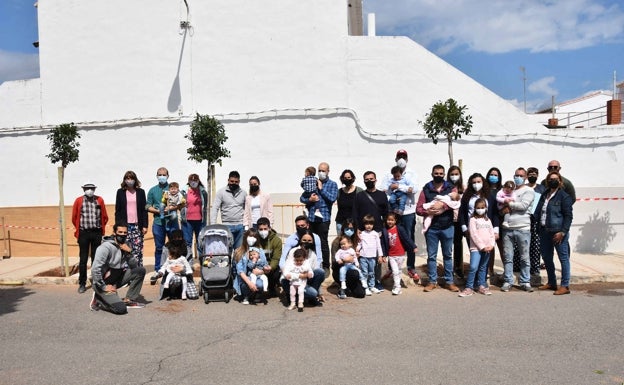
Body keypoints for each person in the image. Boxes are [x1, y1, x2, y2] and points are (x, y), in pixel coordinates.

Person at [416, 164, 459, 293]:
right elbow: (418, 209)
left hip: (447, 227)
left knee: (447, 255)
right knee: (432, 256)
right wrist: (428, 211)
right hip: (432, 229)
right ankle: (432, 281)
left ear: (444, 175)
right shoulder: (426, 189)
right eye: (436, 173)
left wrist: (443, 207)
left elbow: (457, 203)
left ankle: (449, 282)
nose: (438, 175)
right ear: (432, 174)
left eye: (441, 173)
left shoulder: (451, 188)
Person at [89, 223, 146, 314]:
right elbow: (95, 269)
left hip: (116, 279)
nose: (123, 234)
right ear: (114, 232)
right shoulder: (105, 247)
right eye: (120, 232)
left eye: (125, 233)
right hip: (104, 283)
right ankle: (99, 299)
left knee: (140, 271)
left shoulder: (126, 245)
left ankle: (129, 299)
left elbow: (134, 266)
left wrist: (129, 253)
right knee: (121, 309)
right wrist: (103, 286)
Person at [535, 171, 574, 295]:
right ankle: (552, 282)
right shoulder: (544, 194)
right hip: (544, 231)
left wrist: (563, 232)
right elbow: (538, 211)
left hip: (558, 233)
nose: (553, 181)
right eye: (551, 179)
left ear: (560, 181)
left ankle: (565, 286)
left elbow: (568, 216)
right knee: (546, 258)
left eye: (555, 179)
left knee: (563, 259)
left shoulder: (564, 196)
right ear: (547, 181)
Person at [352, 170, 389, 291]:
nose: (369, 181)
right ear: (364, 181)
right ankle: (364, 283)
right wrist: (357, 228)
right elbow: (355, 213)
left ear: (375, 180)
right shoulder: (359, 196)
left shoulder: (382, 195)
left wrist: (385, 229)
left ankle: (376, 281)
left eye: (371, 179)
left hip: (377, 229)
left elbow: (386, 212)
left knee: (376, 257)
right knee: (363, 258)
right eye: (367, 179)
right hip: (363, 231)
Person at [500, 167, 535, 293]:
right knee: (508, 257)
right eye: (516, 175)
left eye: (520, 175)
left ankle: (525, 281)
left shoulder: (529, 190)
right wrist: (505, 204)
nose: (518, 177)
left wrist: (508, 204)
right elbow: (501, 204)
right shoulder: (510, 190)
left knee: (524, 257)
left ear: (525, 177)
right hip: (507, 228)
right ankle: (508, 280)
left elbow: (523, 206)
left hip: (523, 229)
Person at [299, 162, 338, 272]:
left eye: (323, 171)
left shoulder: (332, 184)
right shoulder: (312, 182)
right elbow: (302, 198)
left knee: (323, 242)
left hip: (324, 218)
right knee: (310, 241)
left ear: (328, 171)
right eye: (319, 170)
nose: (321, 173)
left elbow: (332, 198)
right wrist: (309, 200)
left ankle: (325, 266)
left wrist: (321, 189)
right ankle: (311, 263)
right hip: (311, 218)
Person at [72, 182, 109, 294]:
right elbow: (74, 217)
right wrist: (80, 229)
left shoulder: (99, 200)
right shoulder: (79, 201)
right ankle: (82, 283)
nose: (90, 190)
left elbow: (105, 217)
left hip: (96, 232)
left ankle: (96, 282)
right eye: (87, 188)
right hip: (83, 233)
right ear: (84, 189)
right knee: (83, 259)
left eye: (92, 188)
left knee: (96, 258)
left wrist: (100, 228)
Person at [147, 167, 181, 283]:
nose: (162, 176)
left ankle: (175, 267)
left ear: (168, 175)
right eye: (160, 174)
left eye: (164, 174)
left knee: (175, 245)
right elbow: (147, 206)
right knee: (159, 247)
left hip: (172, 222)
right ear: (157, 176)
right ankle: (158, 269)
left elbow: (181, 203)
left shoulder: (173, 188)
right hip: (158, 222)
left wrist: (171, 208)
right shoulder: (152, 190)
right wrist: (157, 211)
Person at [459, 198, 495, 297]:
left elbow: (492, 234)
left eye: (482, 207)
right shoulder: (473, 220)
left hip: (488, 248)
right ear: (475, 208)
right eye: (478, 208)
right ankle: (469, 287)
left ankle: (482, 286)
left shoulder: (488, 220)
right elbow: (474, 235)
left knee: (483, 268)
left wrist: (491, 245)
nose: (480, 209)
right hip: (476, 248)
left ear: (486, 208)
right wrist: (482, 246)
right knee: (473, 267)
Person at [279, 231, 325, 307]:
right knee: (311, 293)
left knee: (320, 272)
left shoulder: (312, 254)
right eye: (304, 240)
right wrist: (300, 275)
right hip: (291, 280)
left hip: (304, 282)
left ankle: (311, 298)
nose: (306, 242)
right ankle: (292, 296)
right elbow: (287, 270)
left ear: (313, 242)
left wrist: (320, 293)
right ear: (300, 240)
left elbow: (314, 272)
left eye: (309, 240)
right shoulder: (293, 251)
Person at [115, 171, 148, 267]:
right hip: (125, 226)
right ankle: (126, 271)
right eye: (127, 178)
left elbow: (144, 210)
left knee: (137, 250)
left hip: (137, 226)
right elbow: (118, 210)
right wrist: (117, 226)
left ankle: (138, 270)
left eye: (131, 178)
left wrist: (145, 225)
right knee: (125, 248)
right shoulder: (120, 192)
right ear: (124, 180)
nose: (129, 180)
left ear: (135, 179)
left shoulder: (141, 192)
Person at [381, 212, 418, 295]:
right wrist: (384, 255)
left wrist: (413, 246)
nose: (390, 222)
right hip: (391, 255)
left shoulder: (399, 229)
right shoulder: (385, 230)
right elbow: (383, 243)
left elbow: (406, 238)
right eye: (388, 220)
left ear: (395, 220)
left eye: (392, 220)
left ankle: (397, 286)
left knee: (399, 271)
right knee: (395, 271)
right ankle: (397, 287)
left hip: (400, 254)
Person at [210, 171, 247, 249]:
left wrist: (246, 225)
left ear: (239, 181)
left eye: (236, 182)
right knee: (226, 251)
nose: (234, 183)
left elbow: (247, 210)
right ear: (228, 180)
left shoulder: (243, 193)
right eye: (232, 181)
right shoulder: (221, 192)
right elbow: (215, 208)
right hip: (226, 226)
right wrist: (212, 224)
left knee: (239, 251)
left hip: (240, 226)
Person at [234, 228, 269, 304]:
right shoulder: (239, 251)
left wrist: (262, 270)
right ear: (245, 237)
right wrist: (249, 283)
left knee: (260, 283)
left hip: (257, 276)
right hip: (244, 278)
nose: (252, 239)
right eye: (250, 236)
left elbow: (265, 264)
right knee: (245, 284)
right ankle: (245, 295)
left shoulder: (260, 250)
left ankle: (256, 294)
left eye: (254, 237)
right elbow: (239, 271)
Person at [181, 173, 208, 260]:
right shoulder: (184, 192)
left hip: (200, 221)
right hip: (187, 221)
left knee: (200, 242)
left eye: (195, 180)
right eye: (191, 180)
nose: (193, 182)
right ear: (188, 181)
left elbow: (205, 205)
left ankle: (202, 262)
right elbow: (180, 204)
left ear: (198, 181)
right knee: (187, 242)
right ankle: (188, 262)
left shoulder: (203, 191)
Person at [357, 214, 385, 295]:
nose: (369, 226)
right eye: (367, 224)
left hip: (372, 257)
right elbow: (360, 244)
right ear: (364, 224)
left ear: (373, 224)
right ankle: (365, 287)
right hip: (363, 256)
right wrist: (357, 250)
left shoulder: (375, 234)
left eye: (370, 224)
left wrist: (380, 256)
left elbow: (378, 246)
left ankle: (372, 286)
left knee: (372, 272)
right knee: (364, 272)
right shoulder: (362, 234)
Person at [484, 166, 504, 277]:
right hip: (487, 222)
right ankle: (489, 270)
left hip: (501, 222)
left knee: (503, 248)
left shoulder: (502, 190)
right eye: (491, 174)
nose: (493, 177)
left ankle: (507, 271)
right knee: (490, 248)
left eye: (496, 175)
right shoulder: (484, 190)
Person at [526, 167, 547, 275]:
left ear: (538, 175)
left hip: (537, 221)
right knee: (522, 245)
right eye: (530, 174)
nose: (532, 175)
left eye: (535, 174)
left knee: (535, 246)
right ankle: (521, 267)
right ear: (526, 175)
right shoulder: (523, 188)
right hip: (524, 220)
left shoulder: (542, 189)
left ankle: (534, 269)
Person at [256, 217, 283, 297]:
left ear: (269, 228)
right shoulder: (255, 239)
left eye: (265, 229)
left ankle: (271, 288)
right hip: (258, 265)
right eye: (261, 229)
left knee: (277, 271)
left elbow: (276, 258)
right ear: (257, 229)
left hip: (270, 266)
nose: (263, 231)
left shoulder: (277, 240)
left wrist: (270, 267)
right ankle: (257, 290)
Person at [447, 165, 465, 278]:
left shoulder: (464, 188)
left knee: (458, 244)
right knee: (448, 245)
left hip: (459, 220)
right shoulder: (446, 187)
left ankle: (458, 267)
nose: (454, 176)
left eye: (456, 174)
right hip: (448, 219)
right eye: (452, 174)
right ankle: (448, 269)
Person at [335, 235, 367, 299]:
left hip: (351, 266)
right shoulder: (340, 250)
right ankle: (343, 284)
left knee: (358, 271)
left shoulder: (351, 250)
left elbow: (354, 258)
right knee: (342, 271)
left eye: (344, 244)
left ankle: (363, 280)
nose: (343, 246)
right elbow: (336, 256)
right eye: (341, 244)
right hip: (344, 266)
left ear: (350, 244)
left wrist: (357, 263)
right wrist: (340, 260)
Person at [334, 169, 362, 236]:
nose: (347, 179)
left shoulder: (359, 191)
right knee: (342, 241)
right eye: (345, 178)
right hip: (341, 222)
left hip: (355, 223)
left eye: (349, 177)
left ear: (352, 178)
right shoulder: (339, 192)